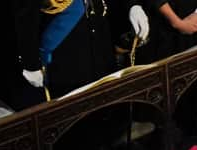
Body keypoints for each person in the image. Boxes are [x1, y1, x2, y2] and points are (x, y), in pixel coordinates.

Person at [11, 0, 150, 103]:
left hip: (101, 46)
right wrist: (30, 63)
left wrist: (133, 5)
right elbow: (25, 13)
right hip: (67, 53)